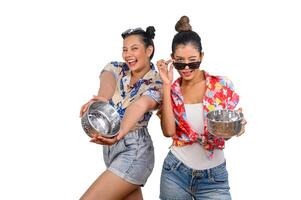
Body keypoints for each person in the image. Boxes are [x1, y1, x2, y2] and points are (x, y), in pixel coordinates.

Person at [157, 16, 246, 200]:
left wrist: (237, 127)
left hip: (214, 178)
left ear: (202, 57)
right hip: (175, 173)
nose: (187, 67)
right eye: (180, 62)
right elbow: (168, 132)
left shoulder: (221, 85)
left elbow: (225, 133)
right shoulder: (171, 91)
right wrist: (166, 84)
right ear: (172, 59)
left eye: (193, 61)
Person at [79, 26, 162, 200]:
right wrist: (102, 98)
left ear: (149, 50)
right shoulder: (117, 68)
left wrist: (120, 132)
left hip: (135, 150)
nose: (128, 54)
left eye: (134, 48)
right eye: (125, 49)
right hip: (112, 150)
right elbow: (107, 81)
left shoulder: (158, 82)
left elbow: (139, 105)